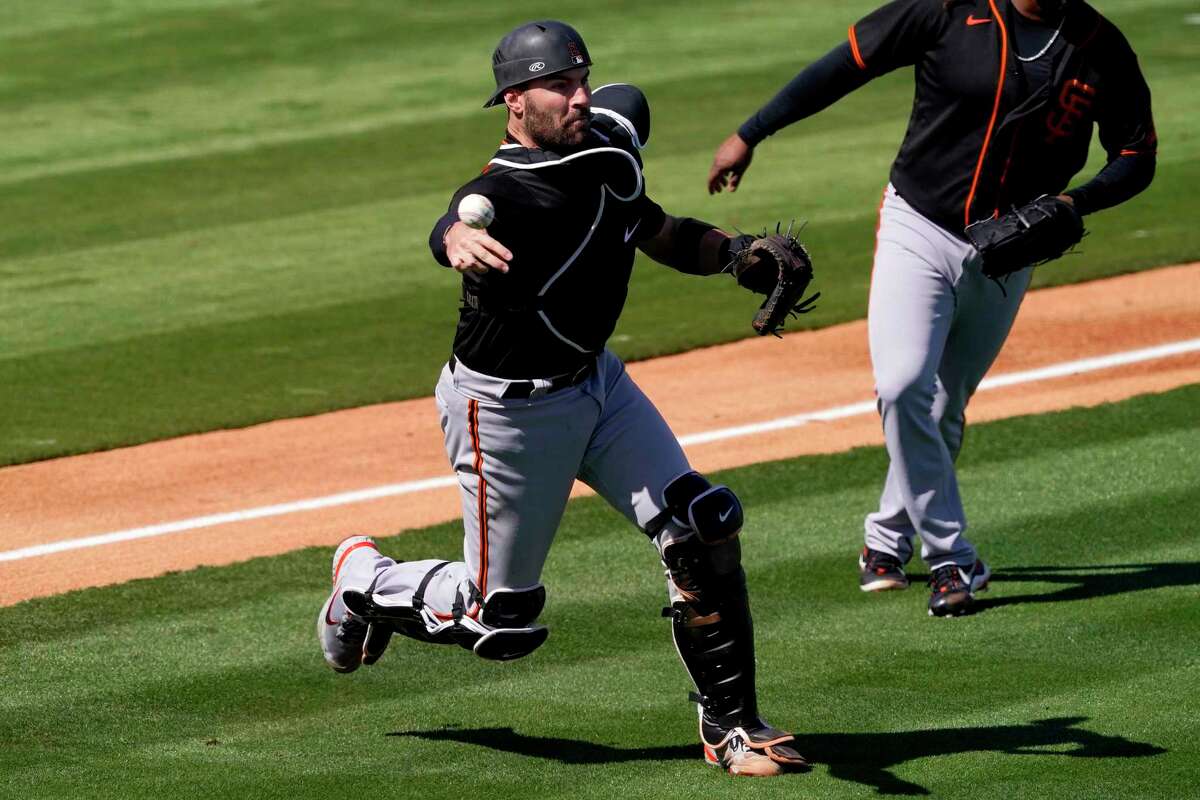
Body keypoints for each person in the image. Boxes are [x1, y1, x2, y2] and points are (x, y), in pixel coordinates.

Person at [315, 20, 808, 777]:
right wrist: (453, 238)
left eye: (583, 80)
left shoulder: (606, 148)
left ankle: (733, 727)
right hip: (508, 414)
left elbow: (656, 227)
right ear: (515, 101)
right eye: (562, 86)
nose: (581, 97)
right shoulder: (497, 194)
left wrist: (735, 254)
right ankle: (361, 582)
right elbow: (452, 220)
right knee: (499, 621)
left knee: (702, 527)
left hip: (598, 385)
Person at [708, 0, 1155, 616]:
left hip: (1010, 248)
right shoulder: (947, 12)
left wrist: (1077, 204)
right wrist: (751, 132)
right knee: (900, 385)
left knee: (945, 408)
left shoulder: (1100, 46)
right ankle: (952, 558)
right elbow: (843, 67)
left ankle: (885, 541)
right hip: (919, 226)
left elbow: (1137, 156)